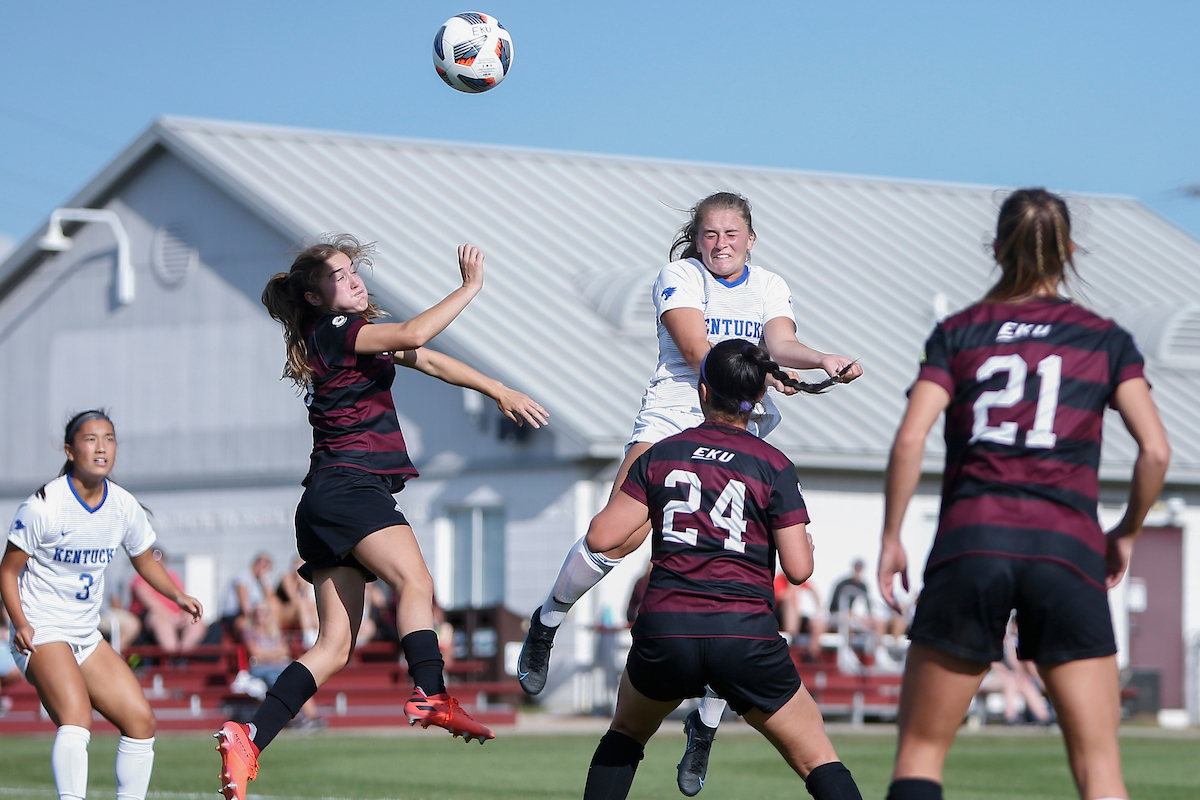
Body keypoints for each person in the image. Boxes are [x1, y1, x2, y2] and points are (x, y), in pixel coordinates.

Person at [516, 191, 862, 794]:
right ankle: (549, 618)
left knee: (724, 564)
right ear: (695, 239)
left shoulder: (770, 285)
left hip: (738, 417)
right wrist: (770, 375)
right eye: (710, 234)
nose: (721, 243)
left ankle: (704, 723)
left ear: (752, 238)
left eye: (733, 233)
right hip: (680, 413)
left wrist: (820, 359)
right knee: (610, 536)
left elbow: (779, 343)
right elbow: (701, 353)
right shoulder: (679, 275)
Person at [215, 235, 548, 800]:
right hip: (350, 489)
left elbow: (429, 358)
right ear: (317, 299)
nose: (354, 281)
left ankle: (250, 736)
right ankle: (432, 694)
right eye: (340, 277)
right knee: (414, 582)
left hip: (324, 499)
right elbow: (418, 334)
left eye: (353, 271)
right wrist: (469, 288)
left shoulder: (351, 336)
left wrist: (497, 388)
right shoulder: (341, 332)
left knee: (335, 646)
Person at [877, 188, 1171, 800]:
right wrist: (1127, 531)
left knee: (922, 755)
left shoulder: (959, 333)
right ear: (1069, 250)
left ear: (995, 249)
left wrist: (891, 536)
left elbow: (910, 441)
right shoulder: (1104, 339)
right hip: (1066, 549)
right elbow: (1156, 451)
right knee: (1099, 769)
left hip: (972, 542)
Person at [577, 339, 863, 800]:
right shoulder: (773, 464)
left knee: (626, 734)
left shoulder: (661, 455)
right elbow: (798, 569)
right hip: (743, 635)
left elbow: (602, 538)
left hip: (668, 629)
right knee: (818, 760)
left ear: (703, 390)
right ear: (759, 398)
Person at [0, 410, 204, 800]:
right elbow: (7, 572)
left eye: (108, 439)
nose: (100, 447)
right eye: (90, 439)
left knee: (141, 721)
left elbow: (144, 559)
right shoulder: (44, 505)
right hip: (42, 631)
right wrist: (20, 622)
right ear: (70, 450)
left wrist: (177, 596)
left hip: (85, 635)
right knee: (76, 720)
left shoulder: (123, 505)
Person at [130, 548, 208, 654]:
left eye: (160, 556)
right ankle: (172, 655)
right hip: (153, 616)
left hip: (175, 615)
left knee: (196, 621)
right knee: (160, 619)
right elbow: (150, 602)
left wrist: (185, 613)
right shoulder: (140, 578)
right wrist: (170, 615)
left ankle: (182, 655)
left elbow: (182, 596)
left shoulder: (172, 575)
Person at [218, 552, 275, 639]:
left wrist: (265, 582)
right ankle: (256, 648)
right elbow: (244, 605)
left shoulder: (260, 582)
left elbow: (271, 601)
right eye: (262, 565)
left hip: (254, 614)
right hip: (233, 614)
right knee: (248, 625)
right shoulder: (243, 576)